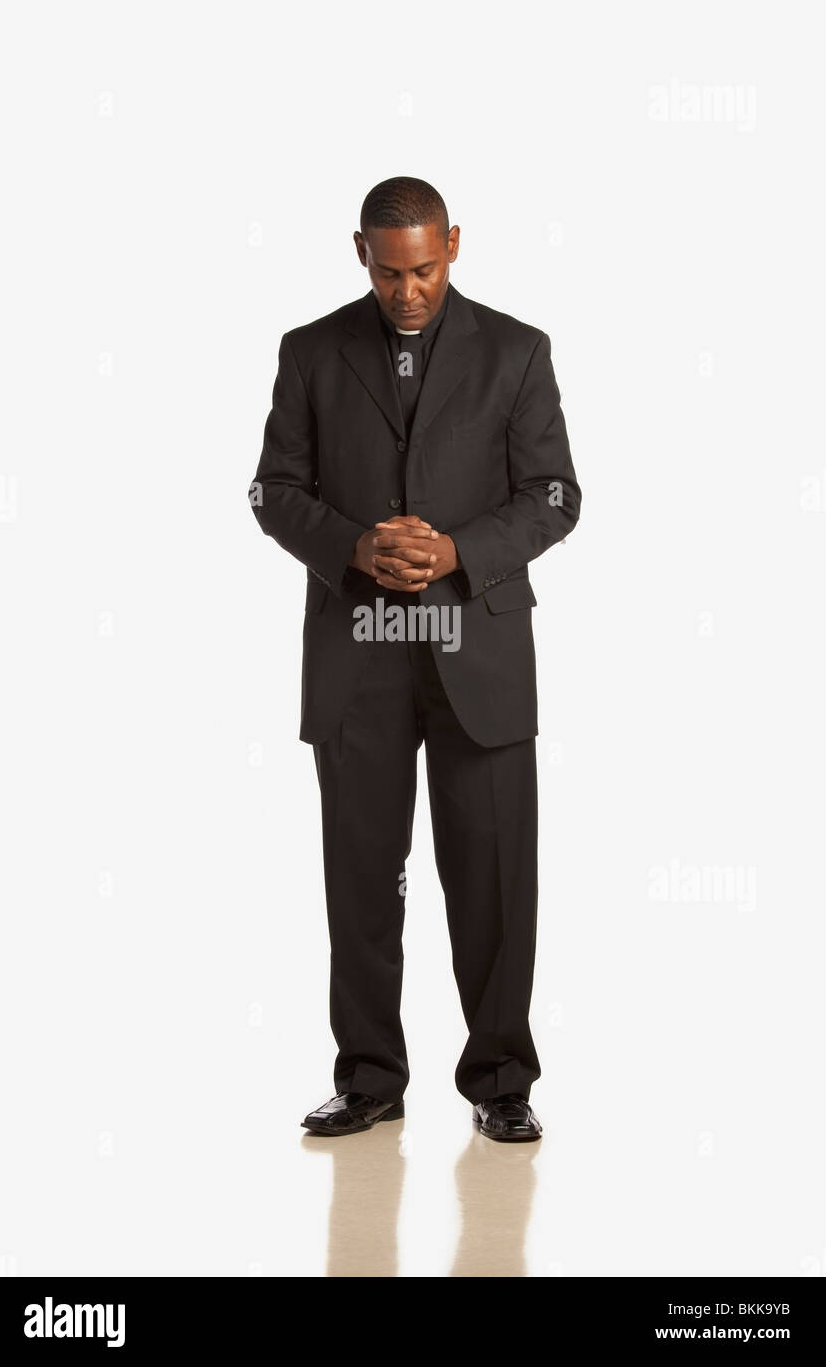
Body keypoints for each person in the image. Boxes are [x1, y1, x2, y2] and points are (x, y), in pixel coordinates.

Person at [248, 176, 581, 1141]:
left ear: (456, 247)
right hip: (359, 654)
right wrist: (356, 546)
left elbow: (556, 494)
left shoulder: (517, 353)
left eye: (426, 269)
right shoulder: (309, 352)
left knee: (493, 879)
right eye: (390, 271)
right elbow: (273, 491)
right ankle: (368, 1079)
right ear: (361, 253)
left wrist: (459, 550)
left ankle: (502, 1080)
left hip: (478, 653)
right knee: (360, 876)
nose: (408, 291)